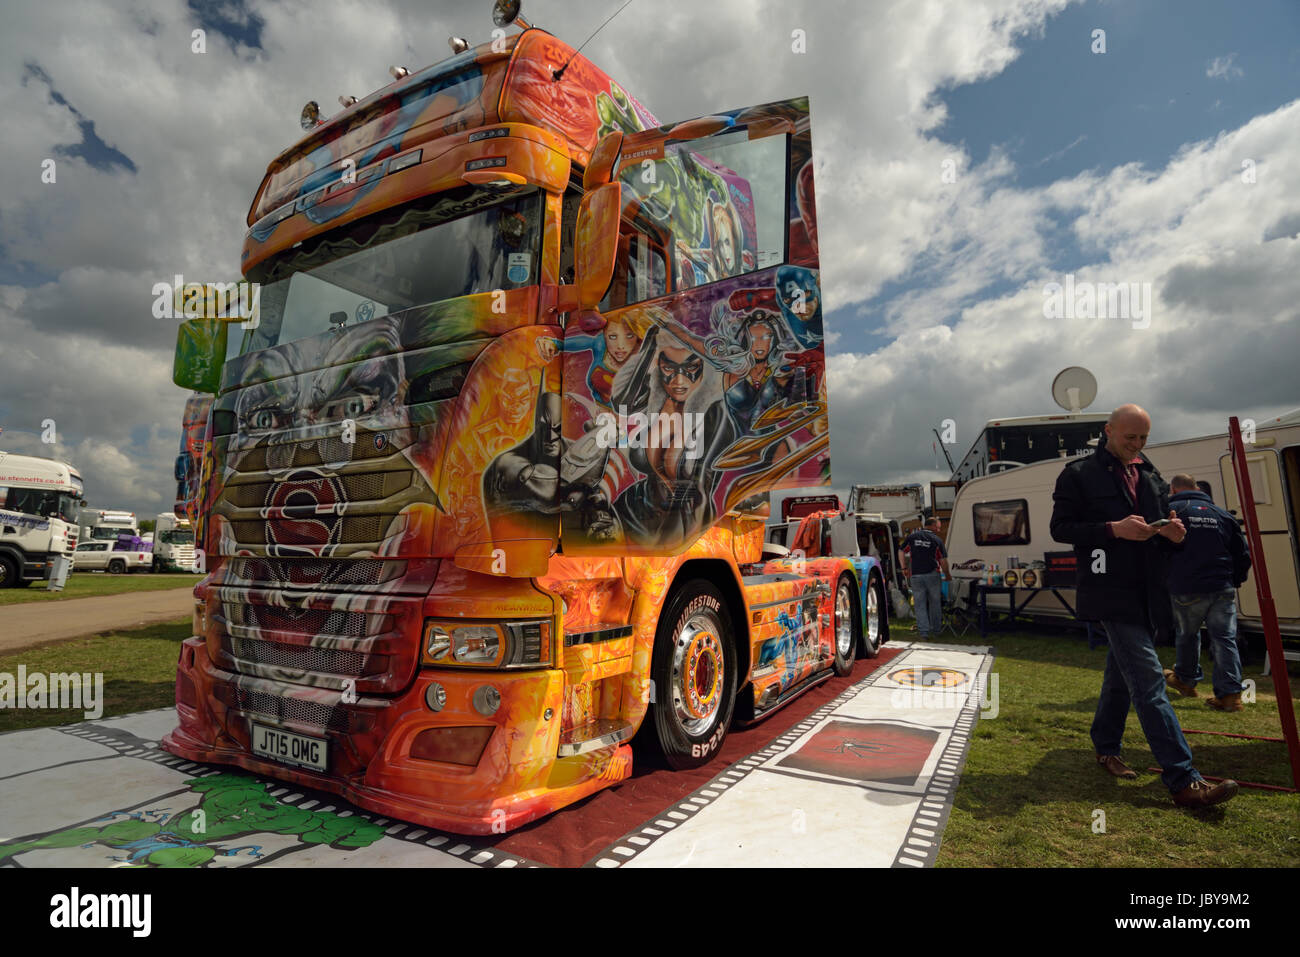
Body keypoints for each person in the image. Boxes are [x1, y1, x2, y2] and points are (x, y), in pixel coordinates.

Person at [1050, 404, 1238, 809]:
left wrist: (1174, 534)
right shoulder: (1079, 474)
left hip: (1149, 592)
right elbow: (1060, 528)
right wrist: (1111, 530)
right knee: (1151, 681)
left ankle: (1105, 745)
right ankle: (1184, 780)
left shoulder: (1150, 475)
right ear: (1108, 431)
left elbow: (1160, 529)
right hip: (1108, 592)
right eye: (1129, 437)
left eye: (1143, 439)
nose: (1136, 445)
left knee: (1121, 674)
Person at [1163, 474, 1252, 711]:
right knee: (1225, 639)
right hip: (1222, 586)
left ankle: (1185, 679)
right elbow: (1242, 553)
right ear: (1196, 488)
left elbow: (1158, 548)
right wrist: (1235, 579)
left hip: (1187, 585)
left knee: (1187, 634)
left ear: (1173, 489)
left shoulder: (1172, 511)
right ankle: (1230, 696)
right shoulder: (1222, 514)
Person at [901, 515, 950, 639]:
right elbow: (943, 560)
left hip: (916, 575)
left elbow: (901, 551)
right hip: (933, 575)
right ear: (932, 526)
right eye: (938, 527)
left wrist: (903, 568)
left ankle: (923, 632)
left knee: (920, 604)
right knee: (935, 603)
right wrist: (948, 574)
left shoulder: (912, 537)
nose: (939, 530)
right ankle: (937, 630)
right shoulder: (937, 540)